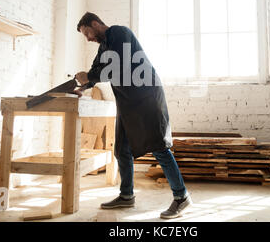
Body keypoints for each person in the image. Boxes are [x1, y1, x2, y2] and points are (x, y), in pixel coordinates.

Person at [75, 12, 192, 219]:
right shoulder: (103, 47)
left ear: (95, 24)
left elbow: (117, 66)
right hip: (128, 103)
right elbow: (96, 70)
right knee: (122, 149)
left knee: (159, 148)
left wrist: (90, 76)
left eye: (87, 33)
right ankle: (127, 195)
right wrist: (83, 85)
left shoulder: (120, 33)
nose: (88, 39)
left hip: (147, 97)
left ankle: (181, 197)